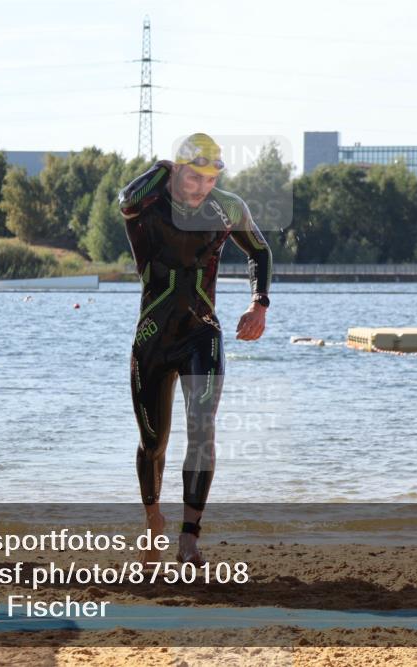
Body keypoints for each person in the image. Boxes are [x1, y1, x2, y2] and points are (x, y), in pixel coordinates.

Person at [118, 133, 272, 565]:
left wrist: (259, 303)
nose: (202, 186)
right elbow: (124, 199)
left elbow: (259, 250)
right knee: (153, 441)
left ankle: (190, 536)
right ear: (177, 170)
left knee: (202, 431)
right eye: (193, 176)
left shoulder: (228, 207)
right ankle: (153, 521)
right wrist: (161, 169)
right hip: (152, 338)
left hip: (201, 333)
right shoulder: (148, 203)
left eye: (210, 178)